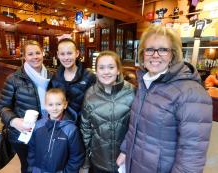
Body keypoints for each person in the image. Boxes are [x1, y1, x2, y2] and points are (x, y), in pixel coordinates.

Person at [117, 25, 213, 173]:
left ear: (173, 55)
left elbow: (192, 155)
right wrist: (125, 150)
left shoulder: (191, 92)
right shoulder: (145, 83)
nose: (155, 55)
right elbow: (135, 126)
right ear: (142, 54)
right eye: (149, 49)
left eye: (163, 49)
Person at [0, 40, 52, 173]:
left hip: (47, 131)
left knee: (46, 164)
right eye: (30, 54)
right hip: (22, 133)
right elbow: (3, 107)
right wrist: (14, 121)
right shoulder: (14, 78)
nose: (35, 57)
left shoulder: (52, 76)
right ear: (24, 57)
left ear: (43, 53)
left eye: (38, 53)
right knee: (28, 167)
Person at [80, 51, 135, 173]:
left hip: (126, 161)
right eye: (101, 68)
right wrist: (85, 162)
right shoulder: (90, 95)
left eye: (111, 67)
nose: (106, 72)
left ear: (118, 70)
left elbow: (138, 127)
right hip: (99, 161)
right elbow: (85, 130)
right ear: (96, 71)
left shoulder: (132, 92)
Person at [27, 88, 85, 173]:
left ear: (65, 105)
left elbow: (77, 155)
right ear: (45, 106)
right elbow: (32, 148)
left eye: (58, 104)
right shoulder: (38, 125)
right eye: (50, 104)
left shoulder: (71, 130)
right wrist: (31, 167)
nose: (54, 108)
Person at [49, 38, 96, 122]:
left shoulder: (89, 76)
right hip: (62, 126)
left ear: (77, 53)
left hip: (84, 126)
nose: (66, 57)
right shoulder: (54, 78)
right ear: (58, 55)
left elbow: (96, 104)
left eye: (69, 53)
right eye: (62, 54)